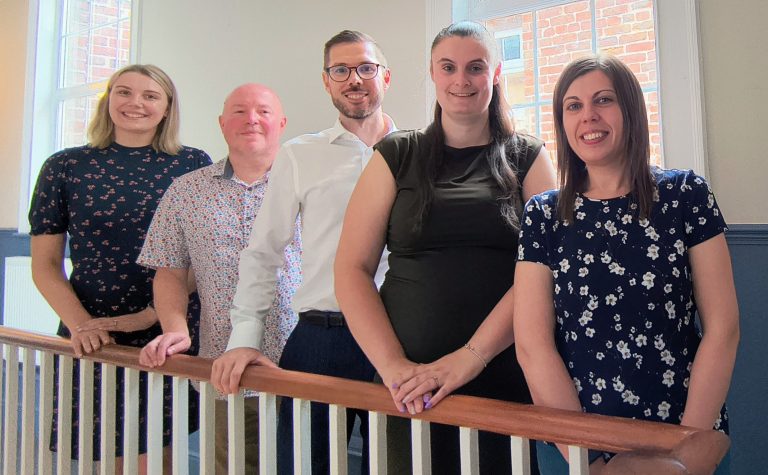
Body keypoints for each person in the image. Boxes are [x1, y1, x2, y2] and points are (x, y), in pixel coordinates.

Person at [334, 21, 557, 475]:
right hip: (410, 387)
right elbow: (351, 271)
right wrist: (394, 367)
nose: (462, 80)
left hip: (505, 374)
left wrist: (468, 358)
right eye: (448, 67)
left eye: (476, 68)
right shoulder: (395, 154)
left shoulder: (529, 157)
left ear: (494, 75)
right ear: (432, 74)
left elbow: (544, 273)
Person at [513, 54, 739, 475]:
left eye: (604, 100)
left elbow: (723, 329)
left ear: (631, 109)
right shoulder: (543, 215)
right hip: (572, 447)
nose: (588, 116)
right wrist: (590, 463)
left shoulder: (687, 195)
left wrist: (681, 453)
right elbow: (533, 346)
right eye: (573, 106)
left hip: (685, 437)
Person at [212, 30, 395, 475]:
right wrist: (243, 340)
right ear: (326, 81)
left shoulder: (418, 152)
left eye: (365, 68)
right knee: (301, 466)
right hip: (321, 339)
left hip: (399, 337)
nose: (355, 79)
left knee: (396, 465)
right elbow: (263, 252)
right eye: (341, 70)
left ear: (385, 77)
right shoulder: (299, 155)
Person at [29, 64, 211, 472]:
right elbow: (45, 266)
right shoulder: (64, 167)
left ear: (166, 108)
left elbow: (202, 256)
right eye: (123, 92)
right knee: (103, 448)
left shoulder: (192, 164)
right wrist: (82, 325)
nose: (135, 103)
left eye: (150, 96)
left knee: (154, 453)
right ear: (108, 99)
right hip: (91, 328)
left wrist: (152, 316)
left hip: (166, 328)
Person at [136, 83, 301, 473]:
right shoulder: (186, 191)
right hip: (227, 370)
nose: (251, 120)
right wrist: (175, 327)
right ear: (222, 123)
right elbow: (170, 272)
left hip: (306, 363)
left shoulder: (312, 185)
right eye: (240, 111)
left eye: (262, 111)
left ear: (281, 122)